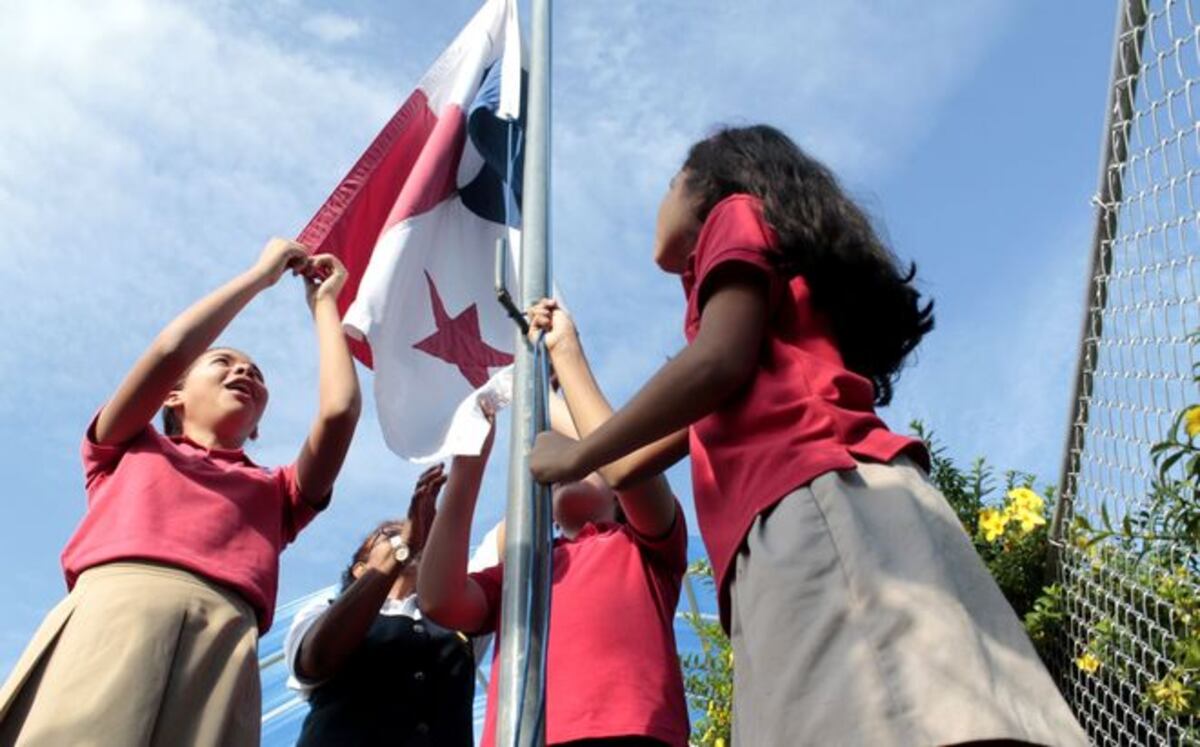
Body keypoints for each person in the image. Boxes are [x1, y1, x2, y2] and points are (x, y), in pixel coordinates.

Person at [528, 125, 1088, 746]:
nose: (659, 202)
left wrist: (577, 452)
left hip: (818, 503)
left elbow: (715, 363)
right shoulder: (757, 337)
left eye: (668, 184)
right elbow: (626, 463)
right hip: (804, 525)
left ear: (706, 184)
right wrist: (566, 352)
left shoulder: (734, 212)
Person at [0, 239, 361, 746]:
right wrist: (259, 277)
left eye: (256, 373)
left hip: (224, 639)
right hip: (115, 609)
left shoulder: (278, 493)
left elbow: (339, 411)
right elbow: (172, 349)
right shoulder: (125, 444)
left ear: (258, 426)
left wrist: (325, 305)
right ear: (173, 394)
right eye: (223, 362)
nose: (244, 372)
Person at [419, 303, 690, 746]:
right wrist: (468, 464)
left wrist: (558, 362)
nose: (566, 465)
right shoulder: (527, 567)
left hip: (628, 732)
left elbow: (622, 458)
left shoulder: (644, 544)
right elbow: (439, 599)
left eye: (580, 458)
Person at [284, 464, 500, 746]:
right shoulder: (322, 610)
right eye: (389, 534)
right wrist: (403, 548)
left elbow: (509, 536)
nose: (414, 535)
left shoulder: (455, 612)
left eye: (419, 534)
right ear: (360, 569)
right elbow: (315, 660)